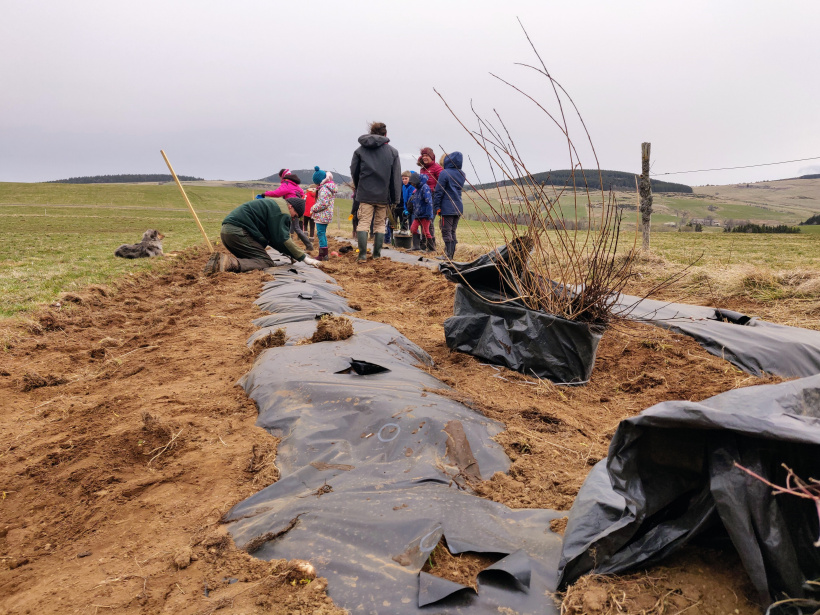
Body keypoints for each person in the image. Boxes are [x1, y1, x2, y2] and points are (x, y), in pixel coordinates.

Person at [204, 198, 321, 273]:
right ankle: (228, 263)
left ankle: (224, 264)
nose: (293, 218)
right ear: (290, 206)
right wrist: (305, 259)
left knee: (254, 258)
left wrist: (291, 253)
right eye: (294, 215)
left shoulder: (276, 205)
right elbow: (283, 238)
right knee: (266, 262)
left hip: (227, 232)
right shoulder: (282, 212)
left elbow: (274, 239)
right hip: (238, 232)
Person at [350, 121, 401, 262]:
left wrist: (359, 186)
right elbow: (396, 178)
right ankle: (377, 255)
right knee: (379, 224)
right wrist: (395, 199)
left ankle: (361, 256)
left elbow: (354, 171)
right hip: (383, 196)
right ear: (385, 134)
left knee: (364, 223)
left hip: (365, 194)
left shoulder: (359, 151)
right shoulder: (393, 152)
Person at [433, 151, 466, 260]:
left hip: (447, 207)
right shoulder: (462, 174)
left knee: (446, 230)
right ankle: (450, 255)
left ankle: (448, 255)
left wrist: (436, 206)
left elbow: (439, 191)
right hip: (458, 207)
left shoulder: (444, 173)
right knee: (452, 231)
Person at [310, 166, 336, 261]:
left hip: (322, 215)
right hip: (325, 214)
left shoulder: (324, 189)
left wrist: (313, 208)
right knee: (322, 233)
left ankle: (323, 255)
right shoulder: (328, 188)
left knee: (320, 233)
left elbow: (323, 203)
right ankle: (324, 254)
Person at [408, 173, 435, 252]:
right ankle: (416, 246)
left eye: (413, 183)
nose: (412, 184)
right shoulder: (417, 189)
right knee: (413, 229)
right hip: (418, 214)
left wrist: (428, 214)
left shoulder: (425, 187)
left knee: (425, 232)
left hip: (425, 214)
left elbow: (429, 202)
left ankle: (431, 249)